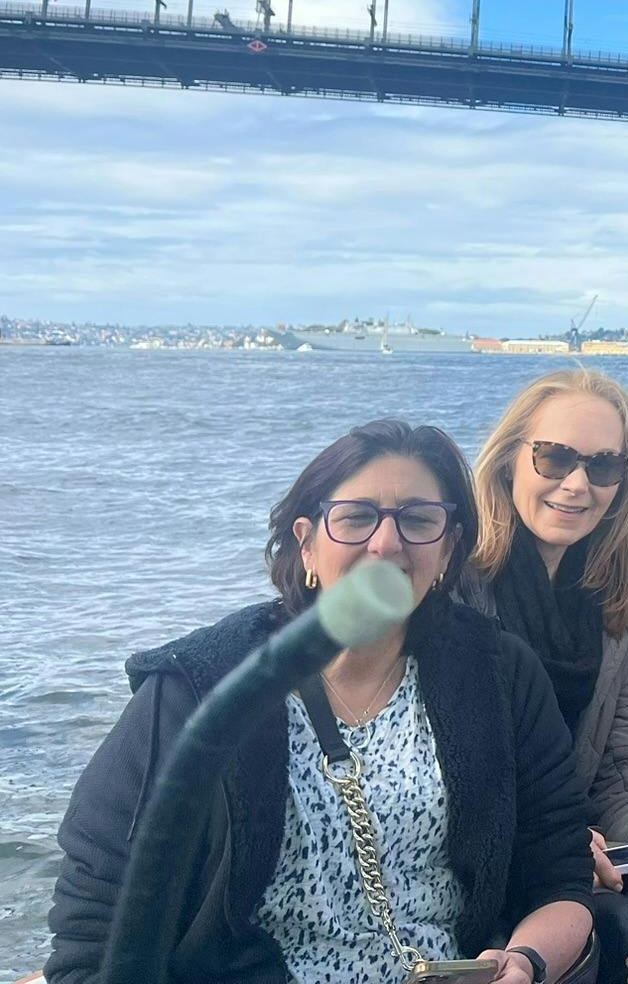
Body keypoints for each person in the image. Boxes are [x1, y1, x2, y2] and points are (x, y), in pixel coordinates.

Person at [45, 419, 595, 984]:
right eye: (356, 517)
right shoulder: (198, 690)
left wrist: (524, 962)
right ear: (307, 542)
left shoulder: (499, 673)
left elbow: (559, 878)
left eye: (418, 519)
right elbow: (95, 935)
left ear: (449, 547)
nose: (386, 543)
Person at [466, 368, 628, 984]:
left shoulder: (620, 604)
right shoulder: (454, 586)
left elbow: (627, 763)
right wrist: (556, 837)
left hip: (575, 862)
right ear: (509, 461)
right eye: (554, 458)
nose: (576, 484)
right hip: (468, 864)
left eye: (603, 466)